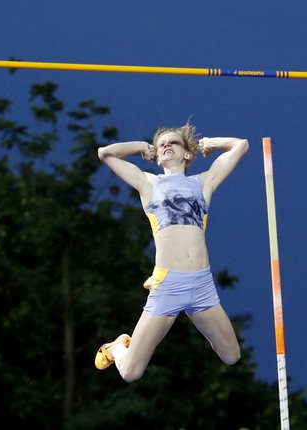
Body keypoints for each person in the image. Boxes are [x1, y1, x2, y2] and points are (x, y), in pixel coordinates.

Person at [94, 122, 249, 382]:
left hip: (201, 285)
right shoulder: (148, 183)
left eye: (173, 142)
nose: (166, 145)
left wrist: (210, 143)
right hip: (169, 284)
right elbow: (105, 153)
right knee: (131, 372)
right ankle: (116, 347)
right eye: (161, 143)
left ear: (187, 154)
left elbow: (241, 145)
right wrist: (141, 147)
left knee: (231, 356)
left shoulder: (203, 182)